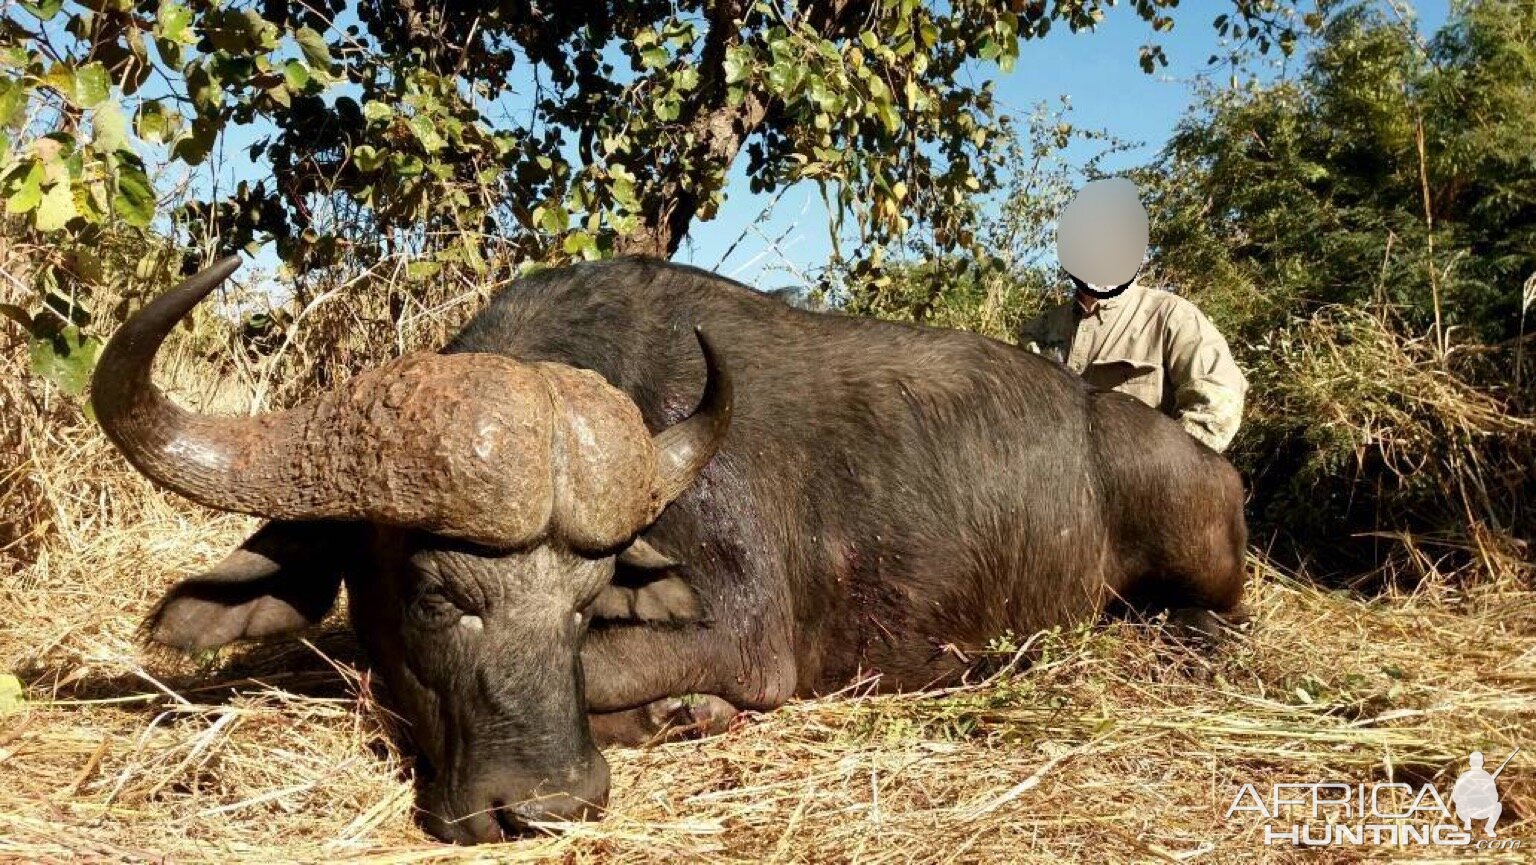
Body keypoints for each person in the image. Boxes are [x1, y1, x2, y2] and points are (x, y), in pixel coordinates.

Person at [1018, 178, 1248, 453]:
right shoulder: (1041, 329)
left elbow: (1218, 406)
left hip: (1143, 487)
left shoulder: (1172, 317)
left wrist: (1156, 472)